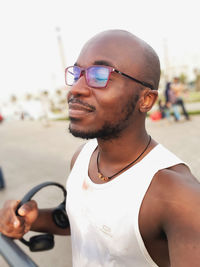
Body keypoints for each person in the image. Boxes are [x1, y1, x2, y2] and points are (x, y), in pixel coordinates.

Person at [0, 30, 200, 267]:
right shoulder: (82, 158)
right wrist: (33, 219)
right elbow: (86, 223)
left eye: (99, 75)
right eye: (77, 73)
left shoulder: (178, 196)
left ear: (146, 99)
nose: (75, 89)